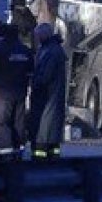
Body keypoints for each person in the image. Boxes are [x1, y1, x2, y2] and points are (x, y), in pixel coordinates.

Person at [0, 24, 34, 160]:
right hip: (20, 92)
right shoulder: (25, 50)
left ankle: (6, 151)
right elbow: (30, 73)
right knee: (18, 121)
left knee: (1, 122)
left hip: (2, 92)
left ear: (2, 35)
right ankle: (19, 149)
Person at [30, 23, 67, 159]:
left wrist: (34, 81)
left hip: (46, 95)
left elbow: (45, 75)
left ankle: (40, 155)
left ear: (44, 35)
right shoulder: (52, 48)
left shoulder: (50, 51)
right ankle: (52, 153)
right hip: (52, 95)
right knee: (51, 129)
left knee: (44, 126)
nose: (37, 38)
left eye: (38, 35)